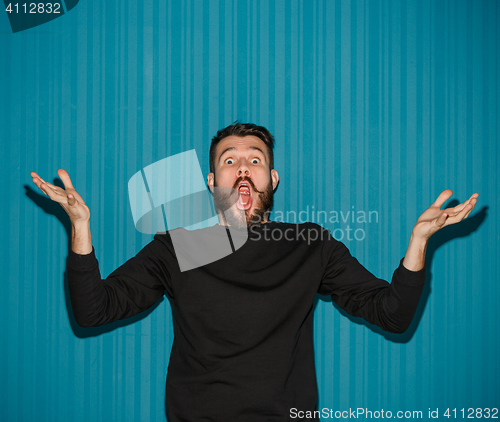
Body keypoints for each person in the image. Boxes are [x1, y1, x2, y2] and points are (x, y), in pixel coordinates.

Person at [31, 123, 478, 421]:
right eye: (229, 161)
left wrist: (418, 244)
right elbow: (92, 311)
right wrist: (81, 227)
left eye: (255, 160)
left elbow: (392, 314)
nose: (243, 168)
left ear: (273, 178)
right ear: (211, 182)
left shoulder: (310, 244)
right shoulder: (179, 246)